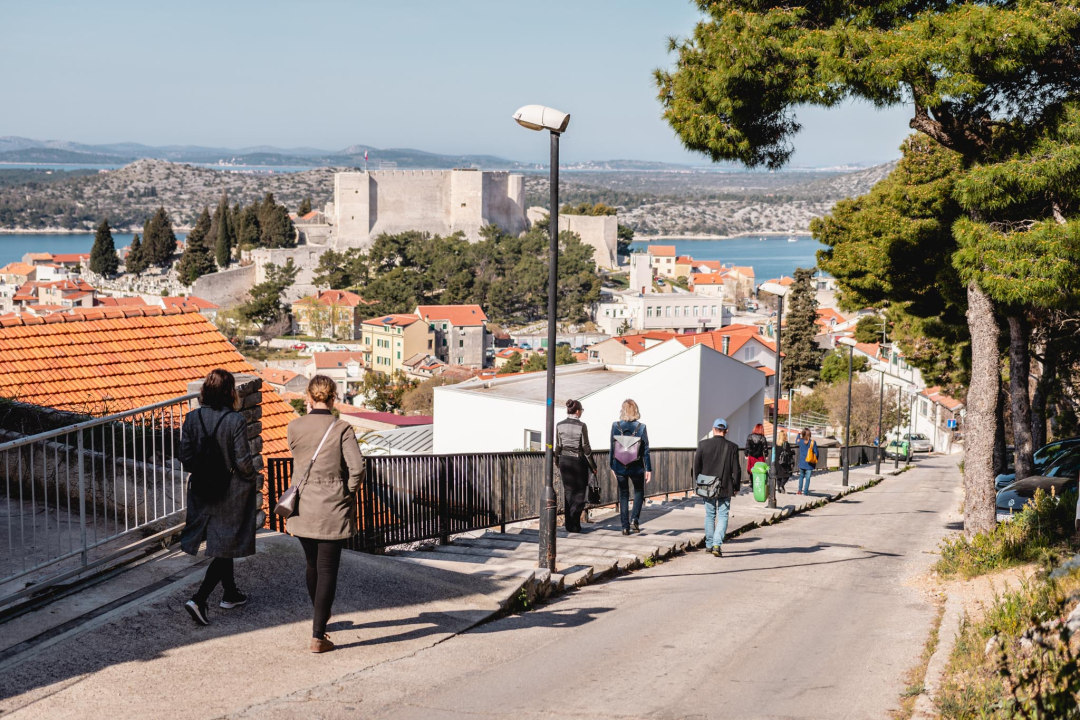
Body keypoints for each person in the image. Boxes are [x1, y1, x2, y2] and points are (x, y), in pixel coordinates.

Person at [286, 375, 366, 653]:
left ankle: (320, 617)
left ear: (308, 397)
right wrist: (348, 491)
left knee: (311, 565)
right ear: (333, 398)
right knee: (328, 569)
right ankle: (318, 635)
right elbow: (356, 468)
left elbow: (300, 460)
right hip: (333, 506)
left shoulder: (294, 426)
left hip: (303, 505)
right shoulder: (342, 428)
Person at [180, 369, 259, 626]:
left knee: (224, 541)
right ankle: (199, 599)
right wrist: (251, 477)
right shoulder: (234, 420)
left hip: (201, 488)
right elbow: (243, 460)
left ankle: (230, 593)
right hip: (230, 489)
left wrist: (204, 469)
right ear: (230, 392)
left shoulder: (191, 419)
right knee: (227, 542)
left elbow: (186, 458)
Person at [694, 418, 742, 557]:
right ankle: (717, 544)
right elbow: (736, 470)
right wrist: (736, 486)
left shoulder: (703, 444)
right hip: (726, 486)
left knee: (709, 514)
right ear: (726, 431)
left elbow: (697, 466)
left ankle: (709, 544)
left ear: (713, 429)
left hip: (707, 486)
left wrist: (699, 482)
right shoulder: (732, 446)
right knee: (723, 515)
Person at [555, 399, 597, 533]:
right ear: (578, 411)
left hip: (564, 460)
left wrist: (556, 460)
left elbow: (558, 445)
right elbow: (586, 447)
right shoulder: (582, 426)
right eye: (582, 411)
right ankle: (575, 522)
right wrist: (593, 465)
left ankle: (569, 524)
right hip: (578, 461)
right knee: (579, 493)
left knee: (568, 492)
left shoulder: (559, 425)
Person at [610, 399, 651, 535]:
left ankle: (624, 527)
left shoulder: (615, 426)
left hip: (620, 465)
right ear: (636, 410)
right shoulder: (641, 427)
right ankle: (635, 519)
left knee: (623, 495)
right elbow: (645, 450)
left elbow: (612, 447)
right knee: (639, 491)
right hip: (636, 466)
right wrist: (648, 469)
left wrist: (612, 466)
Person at [795, 428, 818, 495]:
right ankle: (805, 491)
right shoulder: (813, 442)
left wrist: (798, 434)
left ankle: (799, 490)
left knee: (801, 476)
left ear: (803, 434)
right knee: (807, 478)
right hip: (810, 463)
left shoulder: (800, 441)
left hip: (802, 462)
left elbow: (796, 441)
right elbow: (816, 453)